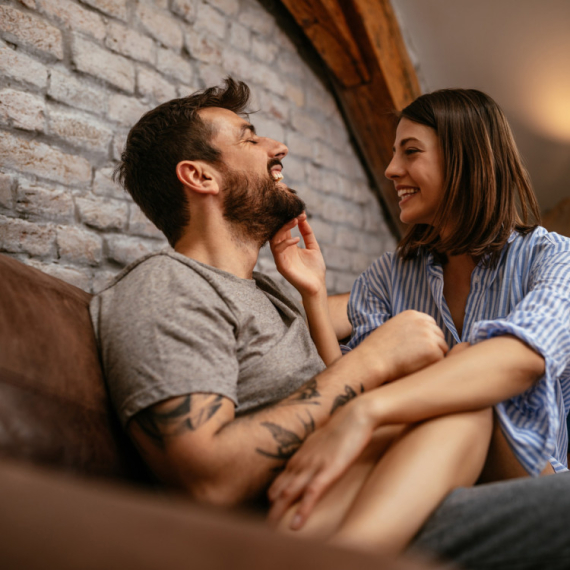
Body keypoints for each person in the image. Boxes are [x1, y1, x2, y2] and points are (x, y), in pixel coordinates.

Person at [89, 79, 570, 569]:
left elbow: (506, 359)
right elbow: (210, 478)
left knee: (465, 371)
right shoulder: (167, 284)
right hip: (340, 503)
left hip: (392, 480)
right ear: (200, 177)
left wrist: (315, 297)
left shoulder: (271, 297)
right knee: (464, 377)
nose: (280, 148)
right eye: (250, 138)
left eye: (410, 151)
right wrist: (374, 359)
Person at [267, 89, 570, 555]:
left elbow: (521, 359)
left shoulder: (553, 259)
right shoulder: (392, 273)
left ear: (465, 160)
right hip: (417, 460)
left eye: (410, 152)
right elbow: (351, 377)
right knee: (418, 394)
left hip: (523, 469)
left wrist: (368, 413)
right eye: (392, 153)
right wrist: (313, 293)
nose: (391, 170)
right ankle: (278, 553)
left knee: (468, 377)